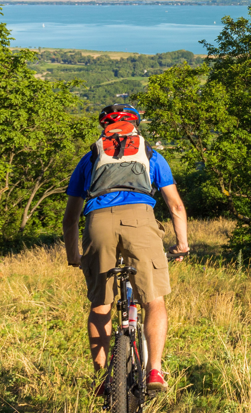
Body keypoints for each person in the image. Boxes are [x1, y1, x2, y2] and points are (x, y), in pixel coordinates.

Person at [63, 103, 189, 393]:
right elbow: (176, 206)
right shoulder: (150, 154)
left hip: (98, 224)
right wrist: (181, 244)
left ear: (104, 129)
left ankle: (102, 377)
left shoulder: (91, 158)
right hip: (140, 221)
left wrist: (74, 256)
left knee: (101, 304)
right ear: (135, 126)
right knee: (153, 300)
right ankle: (154, 371)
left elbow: (70, 218)